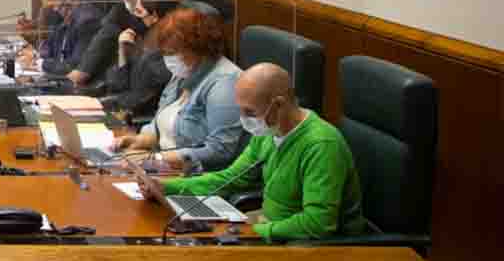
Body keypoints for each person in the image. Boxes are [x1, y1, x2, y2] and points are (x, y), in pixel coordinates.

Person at [144, 63, 364, 241]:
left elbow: (318, 223)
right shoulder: (268, 132)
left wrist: (257, 233)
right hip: (270, 228)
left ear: (278, 105)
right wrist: (167, 187)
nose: (244, 120)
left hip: (311, 249)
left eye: (249, 112)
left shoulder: (321, 145)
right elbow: (229, 179)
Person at [109, 9, 245, 173]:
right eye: (165, 53)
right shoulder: (184, 72)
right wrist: (138, 140)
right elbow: (162, 124)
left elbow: (220, 151)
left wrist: (154, 160)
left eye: (173, 53)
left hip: (193, 177)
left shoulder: (225, 83)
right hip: (163, 166)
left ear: (198, 48)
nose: (169, 59)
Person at [68, 0, 188, 85]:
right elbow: (105, 34)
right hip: (131, 73)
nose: (128, 5)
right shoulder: (122, 1)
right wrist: (83, 69)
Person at [20, 0, 103, 77]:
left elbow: (73, 66)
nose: (55, 10)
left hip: (79, 87)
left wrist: (40, 63)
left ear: (71, 0)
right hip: (60, 79)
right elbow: (51, 48)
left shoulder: (88, 21)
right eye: (52, 7)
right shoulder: (65, 17)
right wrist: (35, 57)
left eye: (55, 6)